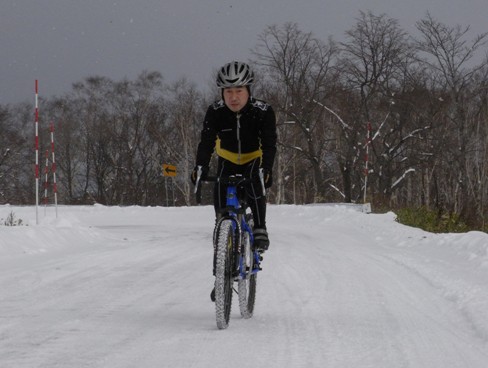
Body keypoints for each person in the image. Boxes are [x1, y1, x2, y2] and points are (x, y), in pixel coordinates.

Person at [191, 61, 277, 252]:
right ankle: (222, 228)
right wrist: (200, 166)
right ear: (222, 93)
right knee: (220, 188)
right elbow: (206, 142)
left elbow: (270, 144)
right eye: (228, 91)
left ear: (248, 90)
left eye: (239, 90)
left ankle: (260, 226)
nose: (234, 97)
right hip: (227, 160)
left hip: (253, 158)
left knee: (255, 182)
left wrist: (267, 168)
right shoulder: (215, 112)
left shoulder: (263, 112)